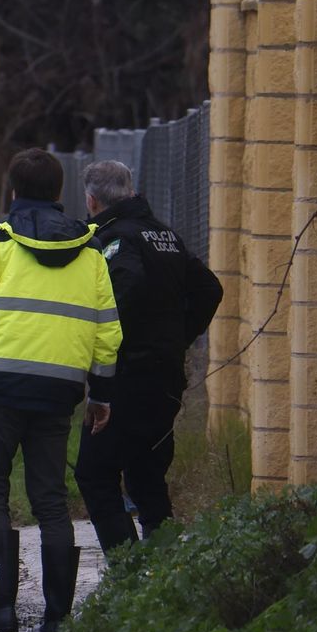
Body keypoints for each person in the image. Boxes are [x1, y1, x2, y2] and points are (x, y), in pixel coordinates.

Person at [0, 148, 122, 632]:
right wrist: (100, 394)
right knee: (51, 500)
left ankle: (1, 608)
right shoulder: (91, 248)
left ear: (13, 192)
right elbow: (107, 329)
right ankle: (57, 617)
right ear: (60, 194)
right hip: (59, 390)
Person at [76, 161, 222, 552]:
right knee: (146, 475)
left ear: (91, 200)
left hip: (129, 375)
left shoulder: (114, 239)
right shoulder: (164, 235)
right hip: (166, 375)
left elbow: (127, 286)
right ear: (130, 190)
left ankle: (129, 572)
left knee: (94, 473)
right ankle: (161, 572)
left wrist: (111, 344)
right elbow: (209, 288)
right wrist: (177, 338)